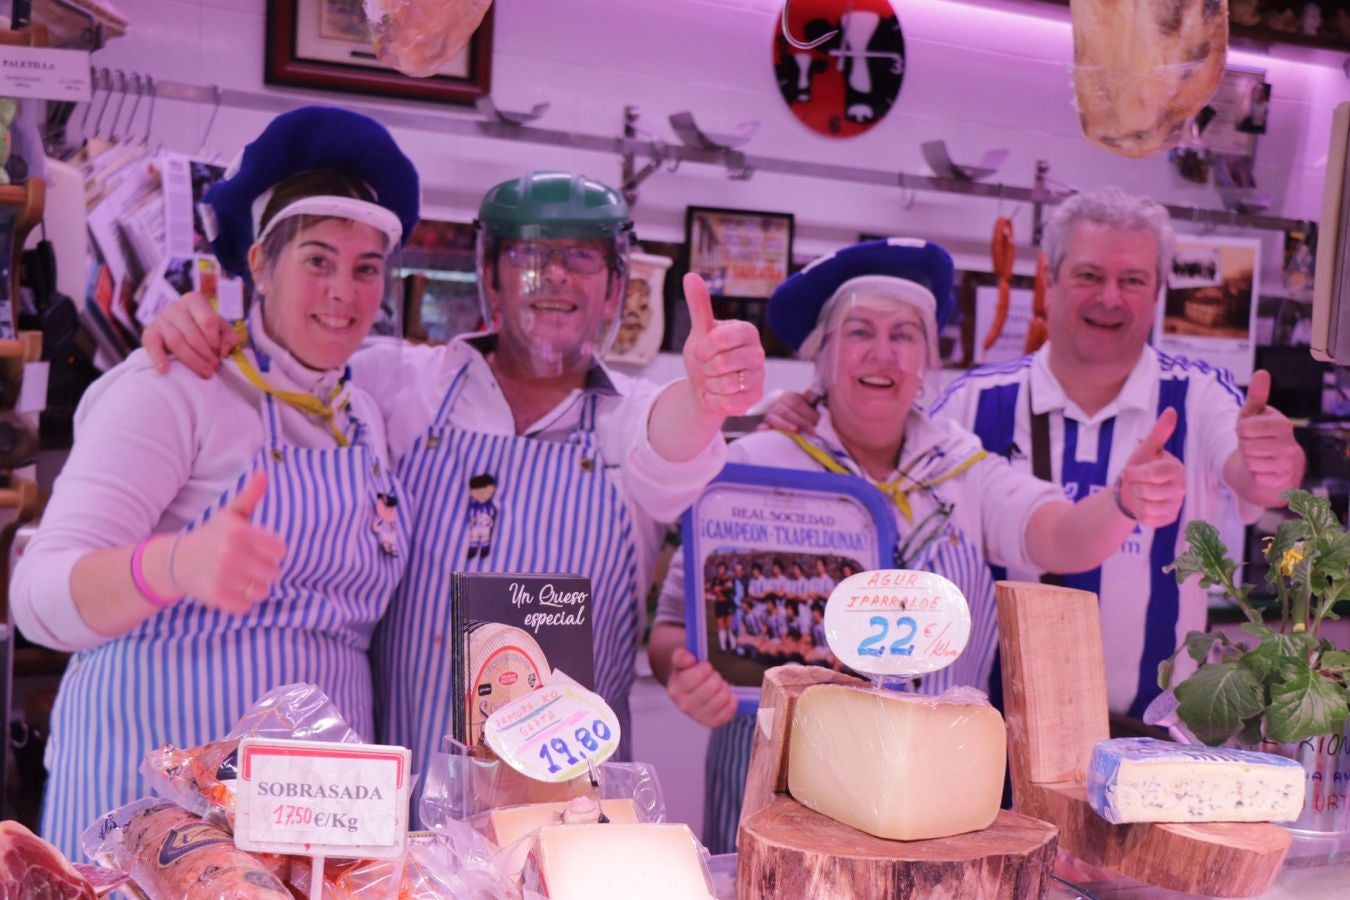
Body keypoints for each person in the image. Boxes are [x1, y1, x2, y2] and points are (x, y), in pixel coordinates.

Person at [141, 171, 766, 777]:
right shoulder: (400, 383)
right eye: (529, 255)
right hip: (400, 806)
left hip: (567, 810)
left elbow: (671, 444)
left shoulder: (630, 416)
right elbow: (290, 354)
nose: (554, 275)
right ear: (489, 276)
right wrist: (204, 324)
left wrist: (706, 397)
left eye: (581, 257)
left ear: (613, 289)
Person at [648, 237, 1187, 853]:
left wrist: (1123, 502)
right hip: (776, 780)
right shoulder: (755, 464)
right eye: (859, 332)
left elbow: (1061, 536)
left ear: (928, 361)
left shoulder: (964, 471)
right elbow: (672, 631)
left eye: (904, 335)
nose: (882, 353)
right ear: (822, 354)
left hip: (930, 789)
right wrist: (686, 676)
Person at [10, 106, 419, 857]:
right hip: (150, 811)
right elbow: (36, 599)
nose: (345, 291)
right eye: (318, 260)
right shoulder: (174, 386)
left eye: (366, 269)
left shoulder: (366, 413)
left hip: (310, 828)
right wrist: (173, 565)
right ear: (259, 264)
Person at [768, 189, 1306, 721]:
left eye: (1133, 280)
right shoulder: (973, 402)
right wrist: (806, 409)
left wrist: (1273, 461)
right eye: (1089, 275)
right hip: (990, 739)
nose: (1110, 298)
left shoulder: (1198, 395)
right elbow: (878, 443)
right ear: (1048, 277)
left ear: (1159, 290)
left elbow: (1261, 479)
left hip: (1152, 737)